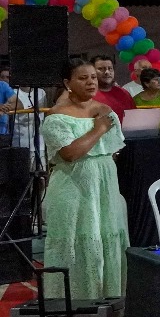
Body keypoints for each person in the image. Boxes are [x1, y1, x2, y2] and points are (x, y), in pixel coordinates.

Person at [41, 58, 128, 300]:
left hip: (104, 187)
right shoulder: (56, 117)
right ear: (67, 83)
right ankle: (72, 304)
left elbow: (113, 149)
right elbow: (70, 153)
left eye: (93, 77)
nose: (91, 82)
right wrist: (98, 129)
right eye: (83, 78)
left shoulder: (104, 110)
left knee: (106, 237)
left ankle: (110, 303)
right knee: (77, 241)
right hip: (74, 189)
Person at [90, 54, 136, 122]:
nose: (107, 72)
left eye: (110, 68)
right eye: (101, 69)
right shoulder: (87, 96)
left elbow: (134, 118)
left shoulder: (124, 94)